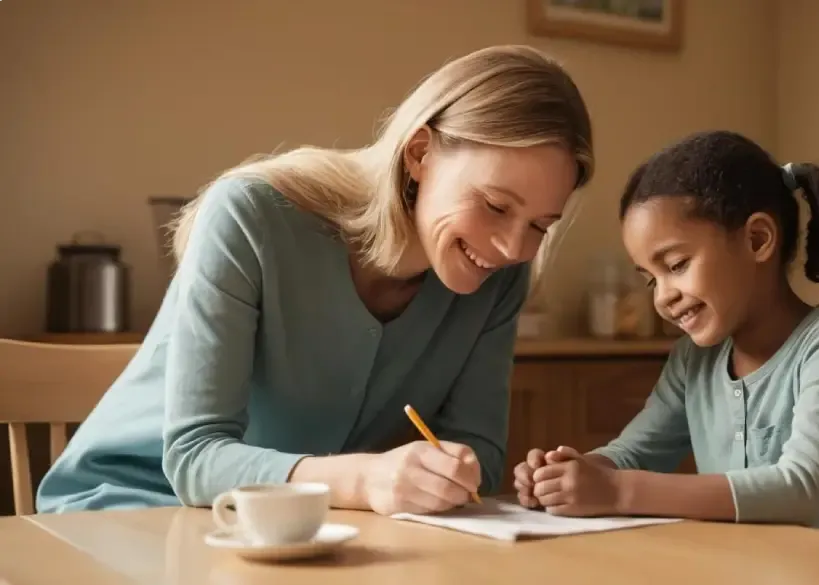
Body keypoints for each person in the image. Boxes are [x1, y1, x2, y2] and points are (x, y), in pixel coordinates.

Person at [37, 45, 594, 515]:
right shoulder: (251, 217)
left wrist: (446, 471)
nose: (513, 247)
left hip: (307, 527)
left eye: (541, 226)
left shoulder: (499, 280)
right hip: (132, 509)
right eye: (496, 206)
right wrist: (368, 481)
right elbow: (194, 457)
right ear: (421, 154)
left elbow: (480, 455)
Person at [512, 130, 819, 538]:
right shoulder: (694, 360)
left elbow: (801, 488)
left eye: (676, 265)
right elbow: (634, 453)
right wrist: (573, 473)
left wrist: (617, 490)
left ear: (757, 239)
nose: (662, 298)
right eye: (649, 279)